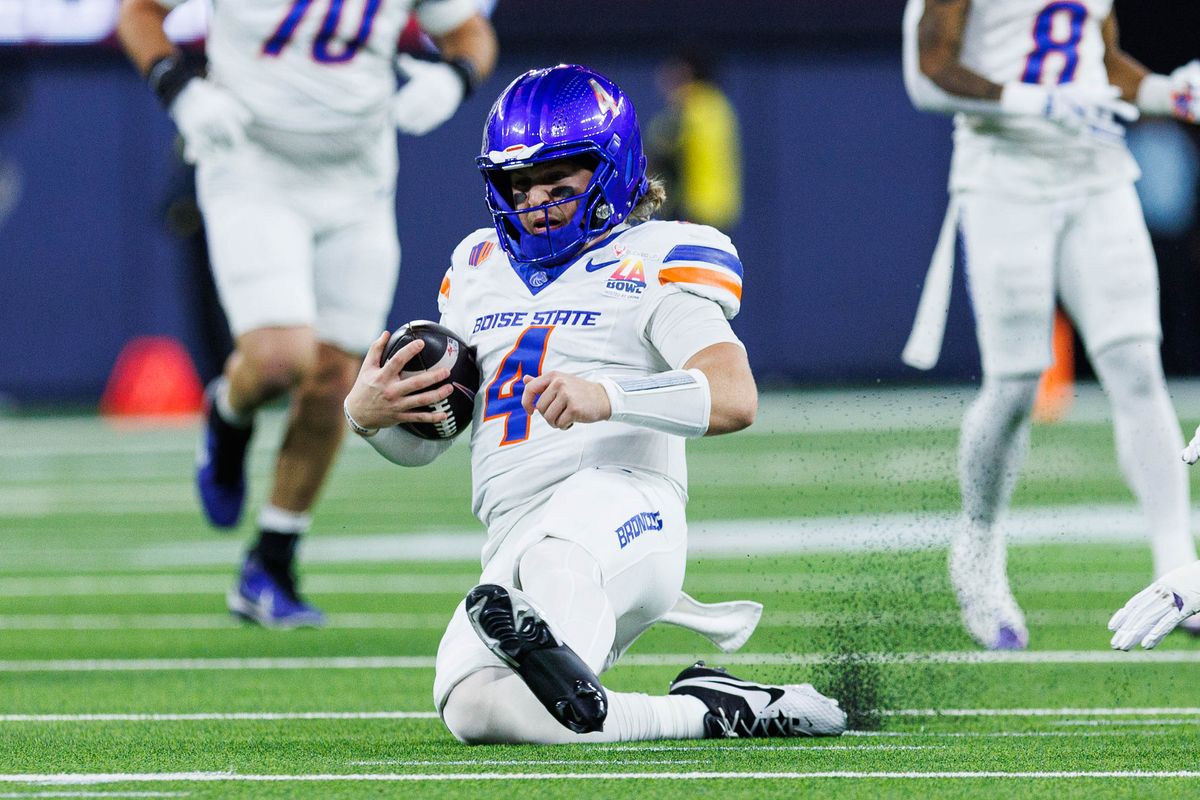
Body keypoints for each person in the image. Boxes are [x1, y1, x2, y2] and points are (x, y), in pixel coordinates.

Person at [344, 65, 847, 743]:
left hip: (626, 509)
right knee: (476, 709)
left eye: (559, 183)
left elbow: (735, 396)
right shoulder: (476, 269)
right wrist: (369, 417)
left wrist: (608, 396)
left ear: (613, 173)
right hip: (516, 528)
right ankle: (706, 711)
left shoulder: (653, 260)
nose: (537, 202)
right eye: (520, 185)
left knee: (557, 557)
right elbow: (431, 441)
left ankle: (559, 653)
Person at [116, 0, 498, 627]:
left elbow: (470, 31)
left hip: (358, 180)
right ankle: (229, 410)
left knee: (336, 376)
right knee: (276, 360)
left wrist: (455, 78)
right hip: (251, 164)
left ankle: (271, 562)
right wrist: (179, 87)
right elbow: (139, 11)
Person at [902, 0, 1200, 650]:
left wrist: (1168, 93)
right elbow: (927, 73)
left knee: (1138, 369)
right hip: (1004, 177)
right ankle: (978, 547)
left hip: (1098, 173)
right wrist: (1035, 102)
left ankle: (1176, 564)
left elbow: (1099, 61)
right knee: (1015, 387)